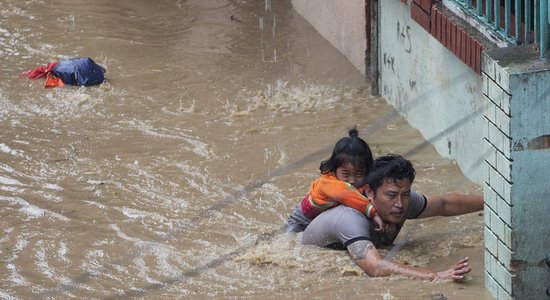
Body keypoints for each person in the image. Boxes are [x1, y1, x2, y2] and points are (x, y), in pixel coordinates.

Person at [301, 154, 484, 281]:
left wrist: (493, 203)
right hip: (306, 256)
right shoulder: (350, 219)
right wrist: (434, 275)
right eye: (391, 195)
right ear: (370, 193)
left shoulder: (402, 201)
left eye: (405, 194)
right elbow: (375, 267)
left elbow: (444, 204)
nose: (400, 204)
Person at [284, 128, 386, 233]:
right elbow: (347, 195)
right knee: (287, 239)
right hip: (302, 221)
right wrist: (374, 214)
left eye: (358, 174)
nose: (352, 180)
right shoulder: (327, 183)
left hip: (324, 221)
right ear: (334, 170)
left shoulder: (365, 185)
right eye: (346, 174)